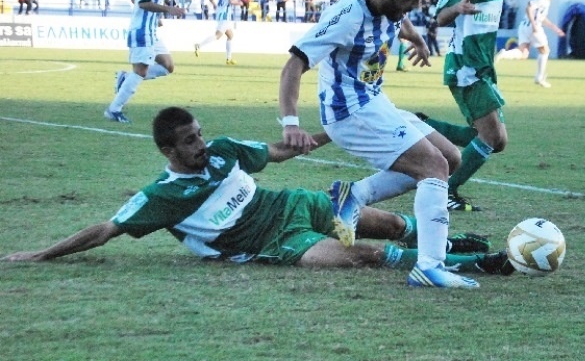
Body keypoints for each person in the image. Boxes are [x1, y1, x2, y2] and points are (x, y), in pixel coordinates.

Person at [2, 107, 512, 278]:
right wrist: (41, 253)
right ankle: (473, 265)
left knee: (393, 222)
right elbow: (105, 230)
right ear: (168, 150)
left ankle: (463, 243)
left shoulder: (224, 149)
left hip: (294, 204)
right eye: (189, 141)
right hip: (273, 241)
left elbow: (283, 151)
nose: (201, 145)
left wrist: (339, 126)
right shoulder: (161, 195)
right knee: (366, 256)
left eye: (199, 134)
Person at [277, 0, 482, 289]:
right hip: (350, 113)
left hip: (375, 102)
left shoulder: (387, 4)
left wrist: (414, 36)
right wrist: (291, 123)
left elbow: (396, 19)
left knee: (450, 158)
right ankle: (429, 266)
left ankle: (351, 197)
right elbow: (294, 64)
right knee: (432, 166)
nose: (413, 8)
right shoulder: (347, 15)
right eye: (409, 1)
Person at [418, 0, 513, 212]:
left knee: (498, 140)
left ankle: (424, 126)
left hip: (484, 68)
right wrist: (457, 7)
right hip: (465, 68)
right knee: (492, 135)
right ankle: (447, 189)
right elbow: (439, 16)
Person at [105, 0, 186, 124]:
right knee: (140, 71)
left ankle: (125, 79)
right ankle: (114, 109)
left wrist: (155, 17)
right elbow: (142, 2)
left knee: (168, 66)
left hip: (151, 32)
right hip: (142, 32)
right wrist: (167, 9)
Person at [515, 0, 565, 83]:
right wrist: (534, 24)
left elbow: (542, 17)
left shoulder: (546, 1)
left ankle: (504, 54)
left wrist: (554, 28)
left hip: (524, 26)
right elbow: (528, 7)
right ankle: (539, 78)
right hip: (533, 27)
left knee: (523, 54)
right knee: (545, 51)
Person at [194, 0, 241, 65]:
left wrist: (214, 5)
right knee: (217, 36)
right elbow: (231, 1)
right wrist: (240, 3)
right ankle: (199, 45)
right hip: (224, 16)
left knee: (230, 36)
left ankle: (228, 58)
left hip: (221, 15)